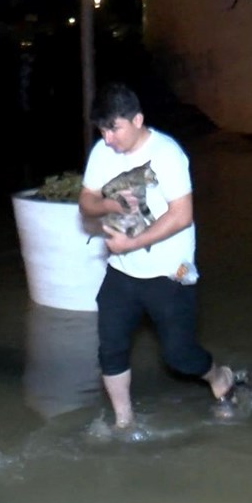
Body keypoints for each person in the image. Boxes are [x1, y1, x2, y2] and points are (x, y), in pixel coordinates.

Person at [77, 82, 236, 429]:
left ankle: (218, 377)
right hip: (120, 270)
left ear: (137, 120)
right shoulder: (102, 152)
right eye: (101, 129)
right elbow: (86, 201)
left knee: (180, 357)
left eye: (113, 128)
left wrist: (131, 244)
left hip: (169, 273)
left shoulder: (168, 154)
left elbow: (182, 215)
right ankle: (124, 422)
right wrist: (109, 203)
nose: (107, 138)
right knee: (110, 347)